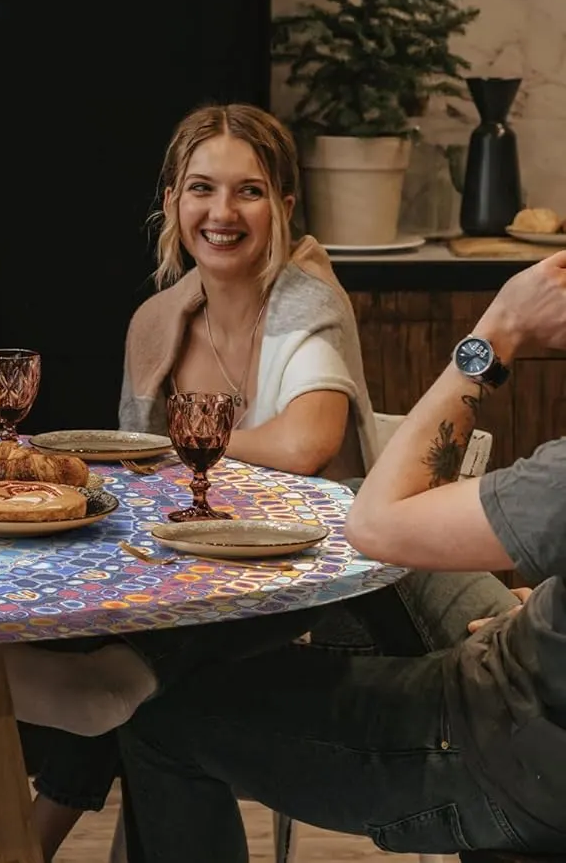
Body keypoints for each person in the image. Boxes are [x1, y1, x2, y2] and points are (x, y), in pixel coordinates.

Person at [114, 248, 566, 861]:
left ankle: (141, 676)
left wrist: (494, 333)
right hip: (534, 667)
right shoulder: (165, 315)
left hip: (507, 743)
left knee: (159, 718)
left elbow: (376, 522)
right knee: (337, 518)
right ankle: (142, 661)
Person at [12, 104, 380, 858]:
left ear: (282, 206)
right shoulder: (158, 320)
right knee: (133, 657)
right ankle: (32, 822)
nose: (221, 212)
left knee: (141, 681)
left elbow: (310, 442)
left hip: (312, 579)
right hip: (185, 570)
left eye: (247, 191)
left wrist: (176, 448)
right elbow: (138, 490)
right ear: (173, 202)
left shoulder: (309, 300)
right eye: (200, 189)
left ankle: (29, 830)